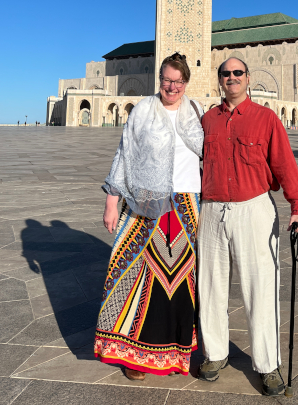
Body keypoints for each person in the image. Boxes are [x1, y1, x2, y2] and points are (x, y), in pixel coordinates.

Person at [197, 57, 298, 396]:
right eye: (225, 74)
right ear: (219, 80)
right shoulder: (206, 120)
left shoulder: (266, 118)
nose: (231, 78)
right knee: (211, 286)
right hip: (212, 210)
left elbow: (284, 163)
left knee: (261, 287)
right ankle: (214, 354)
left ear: (248, 79)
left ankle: (267, 363)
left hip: (254, 208)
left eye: (237, 73)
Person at [95, 53, 204, 379]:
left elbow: (214, 152)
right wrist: (112, 202)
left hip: (186, 205)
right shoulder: (144, 110)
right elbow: (124, 154)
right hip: (145, 201)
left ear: (186, 82)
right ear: (160, 79)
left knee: (180, 280)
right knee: (138, 277)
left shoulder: (196, 112)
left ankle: (172, 353)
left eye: (178, 81)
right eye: (166, 79)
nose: (171, 86)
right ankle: (133, 357)